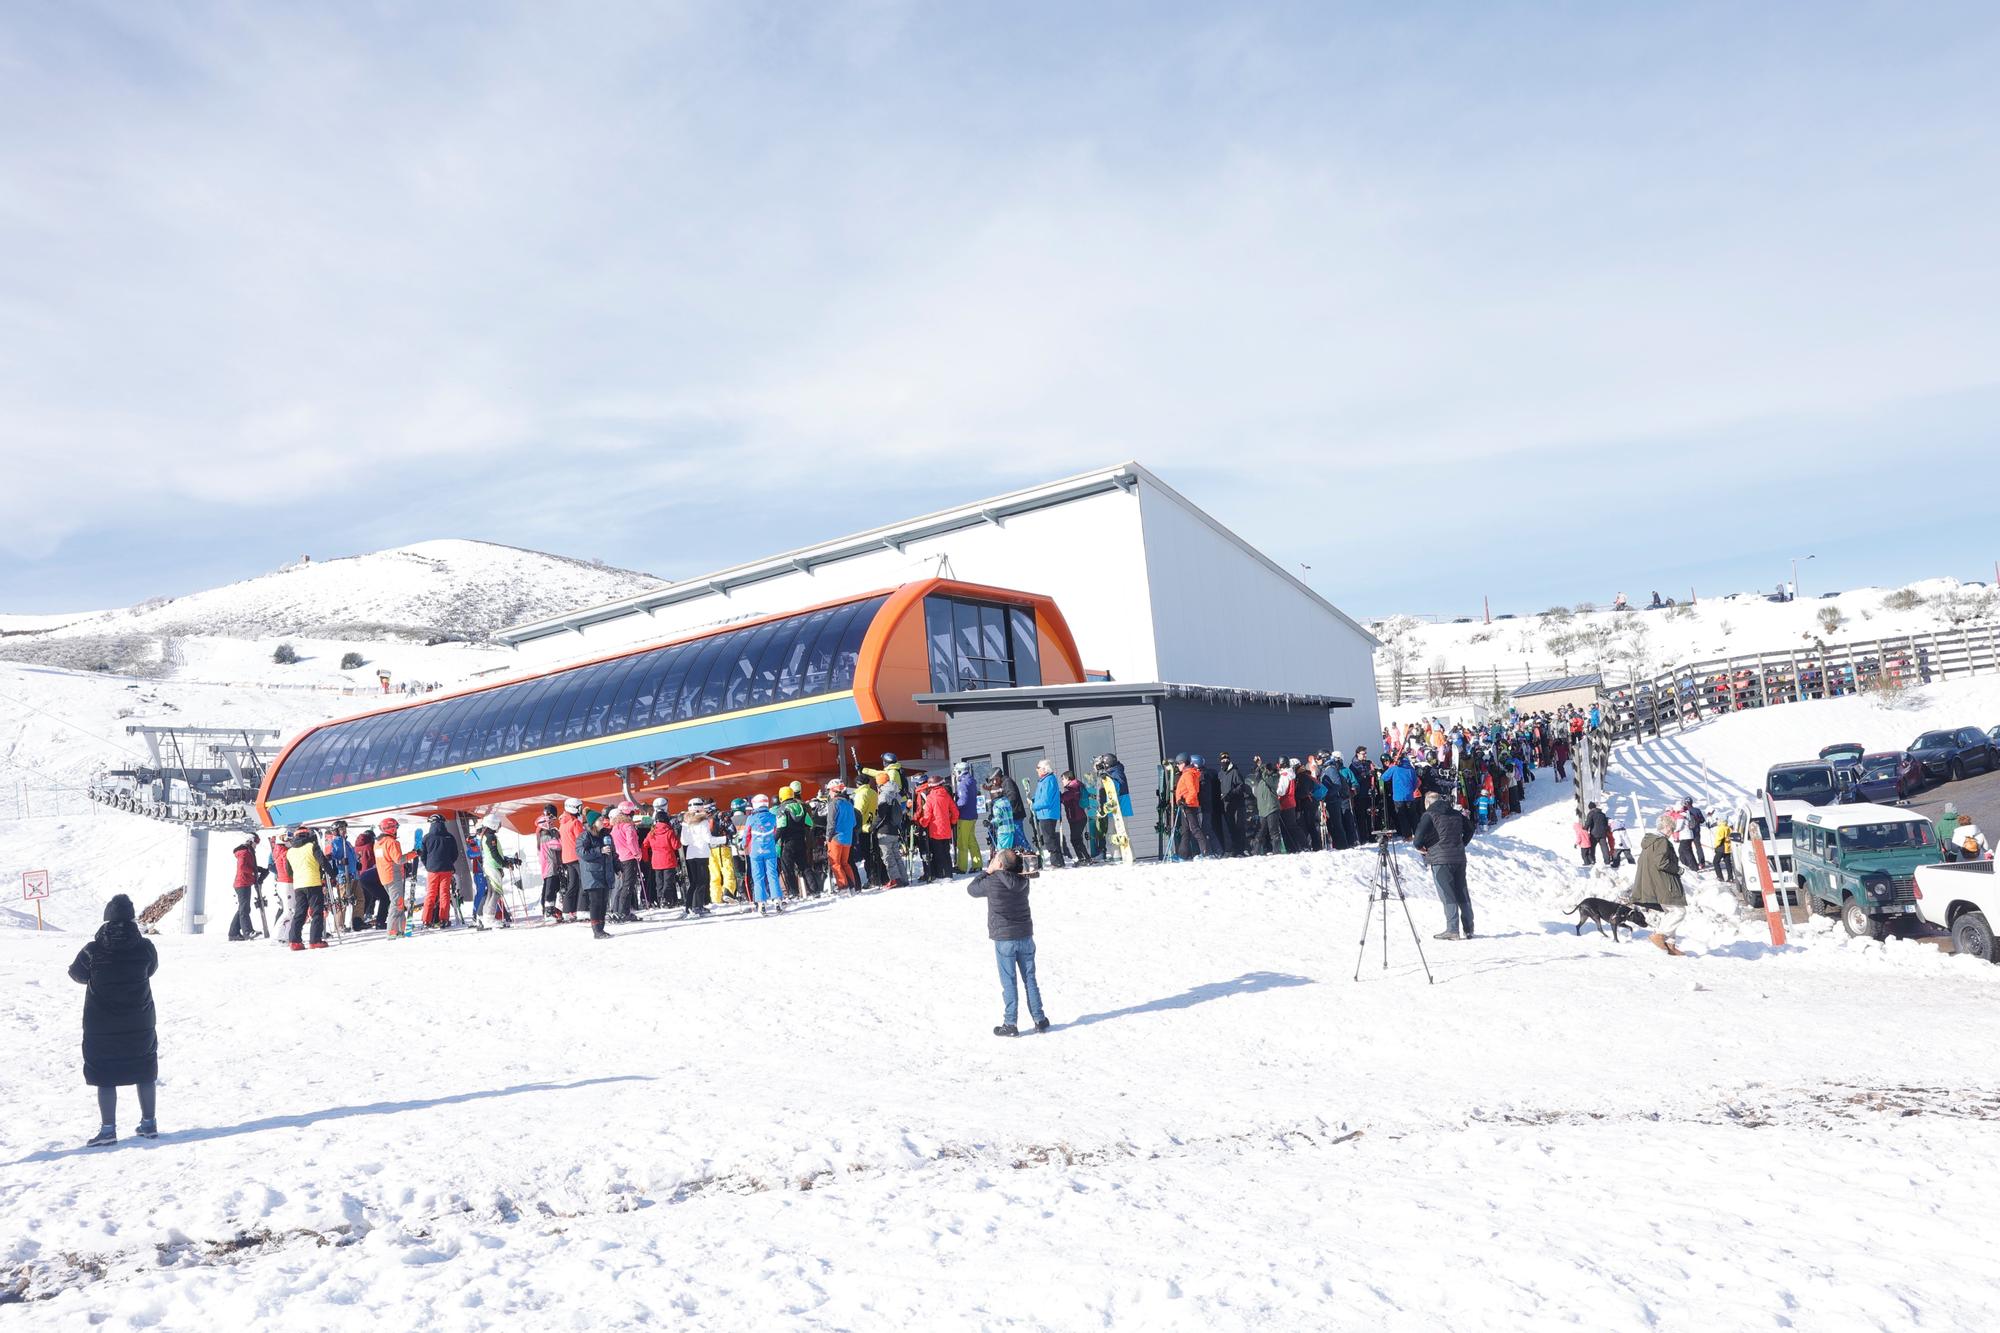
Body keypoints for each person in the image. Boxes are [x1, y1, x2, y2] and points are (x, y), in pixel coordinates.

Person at [69, 895, 160, 1146]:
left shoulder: (92, 950)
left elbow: (76, 974)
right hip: (139, 1022)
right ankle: (149, 1123)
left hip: (101, 1025)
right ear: (132, 918)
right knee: (144, 1070)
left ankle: (108, 1130)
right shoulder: (146, 947)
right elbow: (151, 969)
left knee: (105, 1074)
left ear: (107, 918)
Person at [966, 848, 1048, 1037]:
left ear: (1000, 864)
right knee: (1030, 979)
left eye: (995, 859)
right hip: (1025, 935)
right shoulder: (1023, 879)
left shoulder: (991, 881)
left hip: (1004, 939)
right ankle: (1039, 1019)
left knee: (1009, 982)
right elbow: (1019, 870)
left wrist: (988, 871)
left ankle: (1010, 1024)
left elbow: (971, 889)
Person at [1412, 791, 1476, 940]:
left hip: (1440, 859)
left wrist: (1421, 848)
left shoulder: (1429, 815)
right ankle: (1469, 928)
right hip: (1459, 857)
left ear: (1427, 803)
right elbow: (1470, 829)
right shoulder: (1455, 813)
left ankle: (1452, 929)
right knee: (1462, 891)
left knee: (1447, 894)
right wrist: (1462, 843)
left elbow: (1417, 840)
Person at [1627, 812, 1688, 955]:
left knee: (1670, 912)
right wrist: (1678, 870)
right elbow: (1662, 863)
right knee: (1679, 911)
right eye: (1671, 829)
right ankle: (1660, 935)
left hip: (1655, 882)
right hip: (1663, 882)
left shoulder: (1650, 841)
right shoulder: (1661, 842)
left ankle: (1670, 945)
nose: (1672, 832)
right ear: (1666, 827)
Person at [285, 826, 334, 951]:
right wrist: (333, 875)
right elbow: (323, 862)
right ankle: (315, 940)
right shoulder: (312, 846)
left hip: (299, 885)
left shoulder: (290, 851)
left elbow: (289, 872)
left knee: (300, 913)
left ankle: (294, 941)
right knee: (317, 912)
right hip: (313, 883)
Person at [743, 793, 784, 914]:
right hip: (770, 850)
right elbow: (775, 832)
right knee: (772, 875)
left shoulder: (751, 818)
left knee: (758, 877)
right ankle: (777, 900)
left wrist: (743, 844)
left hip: (755, 852)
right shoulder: (773, 817)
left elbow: (746, 835)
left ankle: (761, 903)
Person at [419, 813, 461, 929]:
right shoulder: (449, 837)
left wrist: (428, 865)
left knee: (431, 894)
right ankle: (444, 919)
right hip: (446, 869)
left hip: (432, 870)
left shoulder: (427, 837)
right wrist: (449, 862)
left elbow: (423, 855)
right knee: (444, 894)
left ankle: (426, 920)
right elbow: (455, 854)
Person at [578, 809, 615, 937]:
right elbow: (582, 853)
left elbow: (613, 854)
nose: (603, 821)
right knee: (595, 902)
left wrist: (618, 867)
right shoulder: (585, 836)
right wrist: (600, 850)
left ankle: (601, 928)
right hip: (592, 874)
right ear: (593, 822)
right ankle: (596, 930)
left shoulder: (606, 835)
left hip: (605, 873)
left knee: (604, 901)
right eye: (600, 820)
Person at [823, 780, 859, 893]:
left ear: (834, 790)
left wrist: (828, 837)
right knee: (845, 863)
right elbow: (854, 823)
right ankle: (852, 886)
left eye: (829, 790)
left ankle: (843, 887)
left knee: (835, 863)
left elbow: (831, 823)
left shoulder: (833, 803)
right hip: (847, 838)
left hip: (836, 838)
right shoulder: (849, 804)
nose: (829, 793)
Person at [609, 802, 643, 922]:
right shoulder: (628, 826)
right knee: (628, 885)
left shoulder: (615, 826)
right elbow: (631, 841)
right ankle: (624, 912)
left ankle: (618, 910)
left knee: (624, 884)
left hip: (620, 857)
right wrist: (637, 853)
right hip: (629, 857)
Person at [229, 834, 266, 941]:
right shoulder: (244, 852)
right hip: (242, 883)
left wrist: (258, 869)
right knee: (244, 909)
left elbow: (248, 866)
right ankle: (247, 932)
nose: (256, 845)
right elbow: (243, 867)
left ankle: (233, 933)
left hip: (244, 882)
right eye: (256, 842)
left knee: (243, 908)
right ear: (250, 841)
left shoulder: (247, 851)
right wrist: (254, 872)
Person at [1030, 759, 1066, 867]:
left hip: (1048, 813)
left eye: (1038, 767)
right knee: (1049, 837)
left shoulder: (1049, 780)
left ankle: (1056, 861)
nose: (1037, 770)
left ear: (1045, 769)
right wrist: (1033, 800)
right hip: (1044, 813)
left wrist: (1034, 806)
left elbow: (1046, 800)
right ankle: (1057, 860)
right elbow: (1041, 796)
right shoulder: (1043, 781)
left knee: (1049, 838)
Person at [376, 817, 407, 935]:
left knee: (397, 903)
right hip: (394, 876)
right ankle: (392, 931)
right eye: (395, 827)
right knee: (396, 903)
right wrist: (414, 853)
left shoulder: (378, 843)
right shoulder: (392, 842)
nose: (396, 830)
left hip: (385, 877)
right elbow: (399, 859)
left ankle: (400, 928)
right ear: (391, 828)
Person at [953, 761, 982, 872]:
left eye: (956, 771)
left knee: (962, 842)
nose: (955, 774)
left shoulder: (963, 784)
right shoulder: (972, 781)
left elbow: (963, 801)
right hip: (972, 815)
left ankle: (961, 866)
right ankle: (977, 864)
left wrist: (954, 807)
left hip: (964, 816)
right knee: (971, 841)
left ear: (960, 771)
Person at [1583, 801, 1614, 869]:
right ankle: (1607, 861)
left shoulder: (1591, 813)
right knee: (1604, 848)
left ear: (1590, 808)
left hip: (1594, 834)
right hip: (1603, 834)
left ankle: (1592, 860)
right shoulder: (1602, 814)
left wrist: (1584, 830)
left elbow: (1588, 823)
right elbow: (1606, 824)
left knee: (1592, 848)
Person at [1711, 816, 1735, 884]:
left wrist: (1716, 846)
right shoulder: (1728, 827)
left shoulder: (1721, 828)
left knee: (1715, 862)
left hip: (1721, 847)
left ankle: (1720, 877)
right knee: (1727, 862)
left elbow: (1719, 839)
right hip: (1728, 847)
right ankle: (1730, 877)